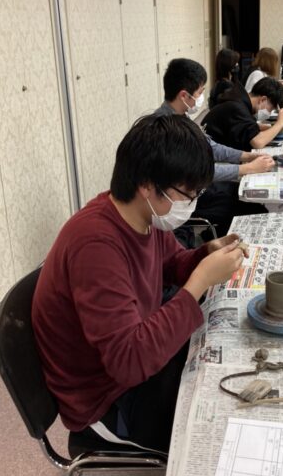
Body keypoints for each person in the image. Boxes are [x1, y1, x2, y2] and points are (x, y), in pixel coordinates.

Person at [32, 115, 245, 453]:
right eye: (186, 194)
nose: (191, 203)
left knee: (232, 370)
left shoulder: (143, 216)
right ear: (147, 184)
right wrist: (200, 281)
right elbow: (128, 362)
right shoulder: (95, 245)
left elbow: (172, 265)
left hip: (136, 361)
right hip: (106, 400)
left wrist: (207, 253)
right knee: (220, 432)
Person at [154, 58, 275, 237]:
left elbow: (212, 147)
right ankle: (212, 240)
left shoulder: (183, 118)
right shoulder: (164, 128)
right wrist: (246, 168)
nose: (202, 97)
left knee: (247, 197)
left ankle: (212, 238)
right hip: (184, 198)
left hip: (200, 188)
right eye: (200, 92)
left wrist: (247, 157)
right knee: (251, 210)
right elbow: (195, 172)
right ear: (184, 96)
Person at [203, 77, 283, 151]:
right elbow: (258, 142)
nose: (269, 113)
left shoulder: (240, 99)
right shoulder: (238, 108)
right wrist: (280, 124)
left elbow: (248, 127)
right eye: (270, 109)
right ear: (263, 100)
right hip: (210, 156)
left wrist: (271, 128)